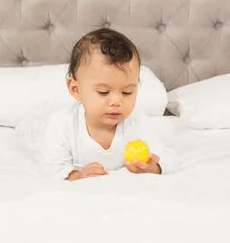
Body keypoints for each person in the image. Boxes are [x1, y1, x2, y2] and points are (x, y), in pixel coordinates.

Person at [33, 28, 177, 181]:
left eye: (127, 92)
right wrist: (77, 176)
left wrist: (154, 167)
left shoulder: (137, 125)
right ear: (76, 89)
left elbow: (169, 159)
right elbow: (52, 166)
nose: (116, 102)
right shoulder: (63, 124)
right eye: (103, 92)